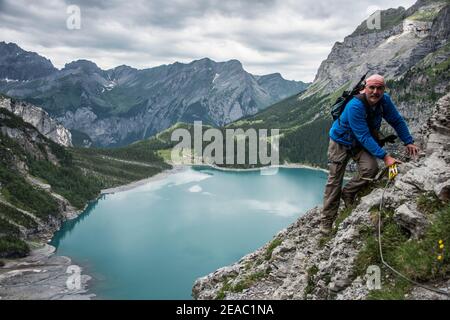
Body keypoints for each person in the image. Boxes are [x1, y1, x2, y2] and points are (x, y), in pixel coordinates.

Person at [320, 74, 419, 235]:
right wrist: (386, 157)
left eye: (379, 88)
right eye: (371, 87)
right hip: (340, 142)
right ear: (365, 88)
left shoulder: (384, 101)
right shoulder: (355, 106)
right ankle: (326, 222)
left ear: (384, 89)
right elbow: (364, 135)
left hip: (359, 143)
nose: (375, 92)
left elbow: (396, 120)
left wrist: (408, 141)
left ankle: (349, 192)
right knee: (334, 182)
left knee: (371, 169)